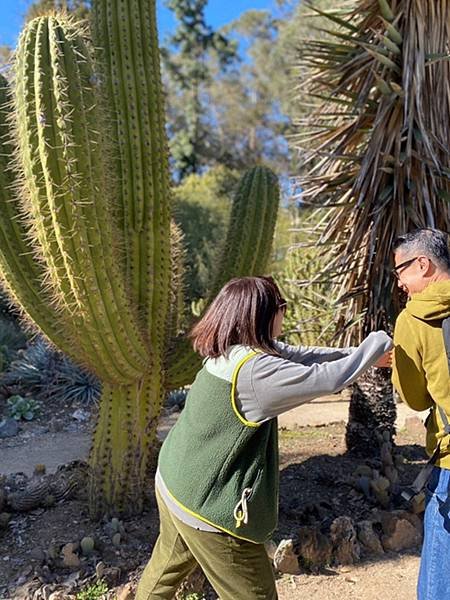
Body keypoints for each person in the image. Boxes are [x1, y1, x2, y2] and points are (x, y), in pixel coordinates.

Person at [136, 275, 392, 600]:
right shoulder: (256, 375)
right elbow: (325, 379)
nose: (285, 313)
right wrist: (379, 343)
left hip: (174, 482)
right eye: (281, 306)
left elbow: (302, 355)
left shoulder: (230, 349)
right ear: (263, 314)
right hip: (210, 508)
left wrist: (360, 354)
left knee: (163, 575)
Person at [391, 228, 450, 600]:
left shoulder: (412, 321)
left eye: (401, 271)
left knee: (439, 573)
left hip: (449, 462)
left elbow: (414, 398)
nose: (399, 283)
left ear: (423, 264)